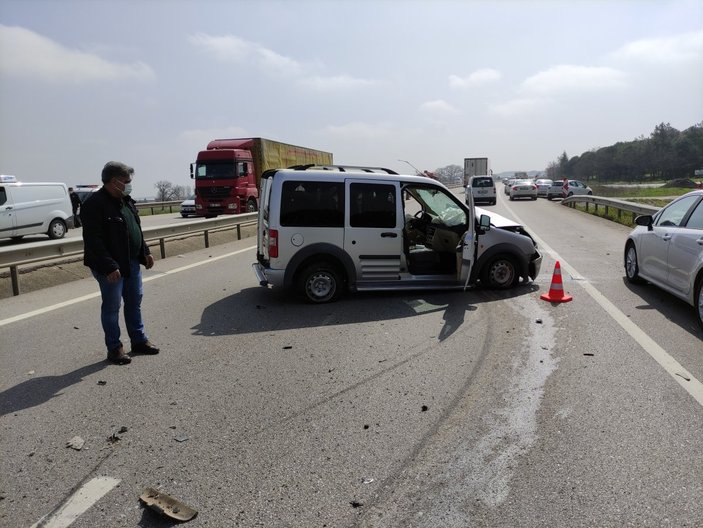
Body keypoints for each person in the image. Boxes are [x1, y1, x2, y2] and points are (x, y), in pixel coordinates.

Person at [80, 161, 160, 365]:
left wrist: (145, 252)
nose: (129, 185)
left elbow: (135, 230)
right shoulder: (94, 205)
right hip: (110, 267)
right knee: (112, 307)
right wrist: (109, 266)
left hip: (131, 262)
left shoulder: (127, 201)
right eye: (126, 182)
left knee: (134, 302)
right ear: (114, 182)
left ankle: (139, 341)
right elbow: (93, 240)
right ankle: (115, 348)